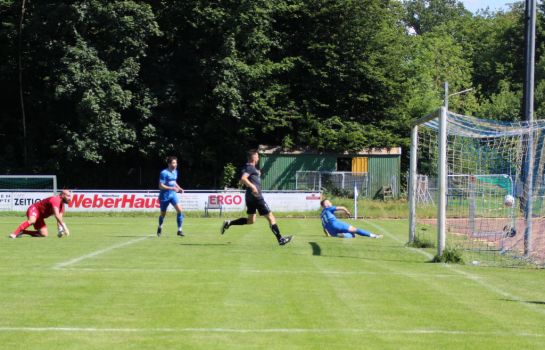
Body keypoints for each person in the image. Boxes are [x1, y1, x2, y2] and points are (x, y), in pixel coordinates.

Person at [221, 150, 292, 246]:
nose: (258, 158)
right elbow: (243, 179)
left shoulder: (247, 167)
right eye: (257, 156)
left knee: (251, 220)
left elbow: (242, 181)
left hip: (249, 197)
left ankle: (229, 223)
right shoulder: (250, 167)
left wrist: (256, 175)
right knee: (271, 218)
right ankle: (281, 239)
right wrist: (253, 187)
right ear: (253, 157)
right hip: (256, 196)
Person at [157, 156, 185, 237]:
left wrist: (179, 188)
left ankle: (179, 230)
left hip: (173, 195)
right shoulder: (164, 173)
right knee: (163, 214)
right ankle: (160, 226)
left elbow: (174, 181)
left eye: (176, 163)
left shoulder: (175, 171)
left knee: (180, 210)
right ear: (169, 163)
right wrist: (172, 188)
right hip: (164, 196)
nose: (175, 164)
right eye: (173, 163)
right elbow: (160, 186)